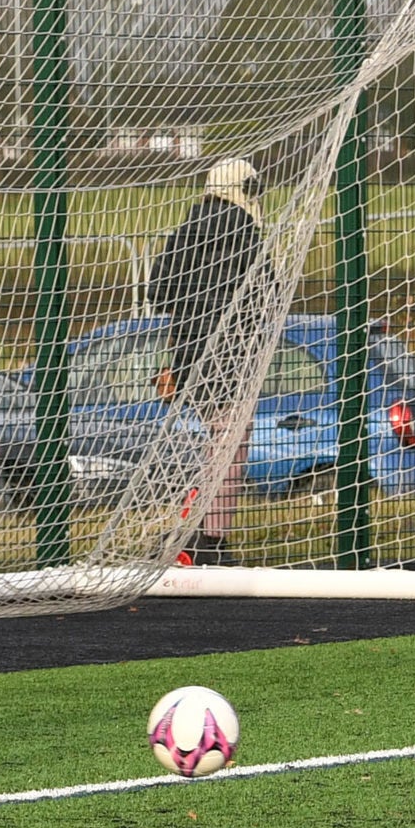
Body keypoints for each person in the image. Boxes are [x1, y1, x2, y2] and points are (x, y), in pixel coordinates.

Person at [148, 157, 267, 565]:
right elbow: (263, 299)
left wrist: (191, 325)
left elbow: (158, 292)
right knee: (229, 443)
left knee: (216, 441)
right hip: (232, 351)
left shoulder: (185, 231)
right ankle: (207, 537)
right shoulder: (248, 234)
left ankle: (197, 529)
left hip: (188, 350)